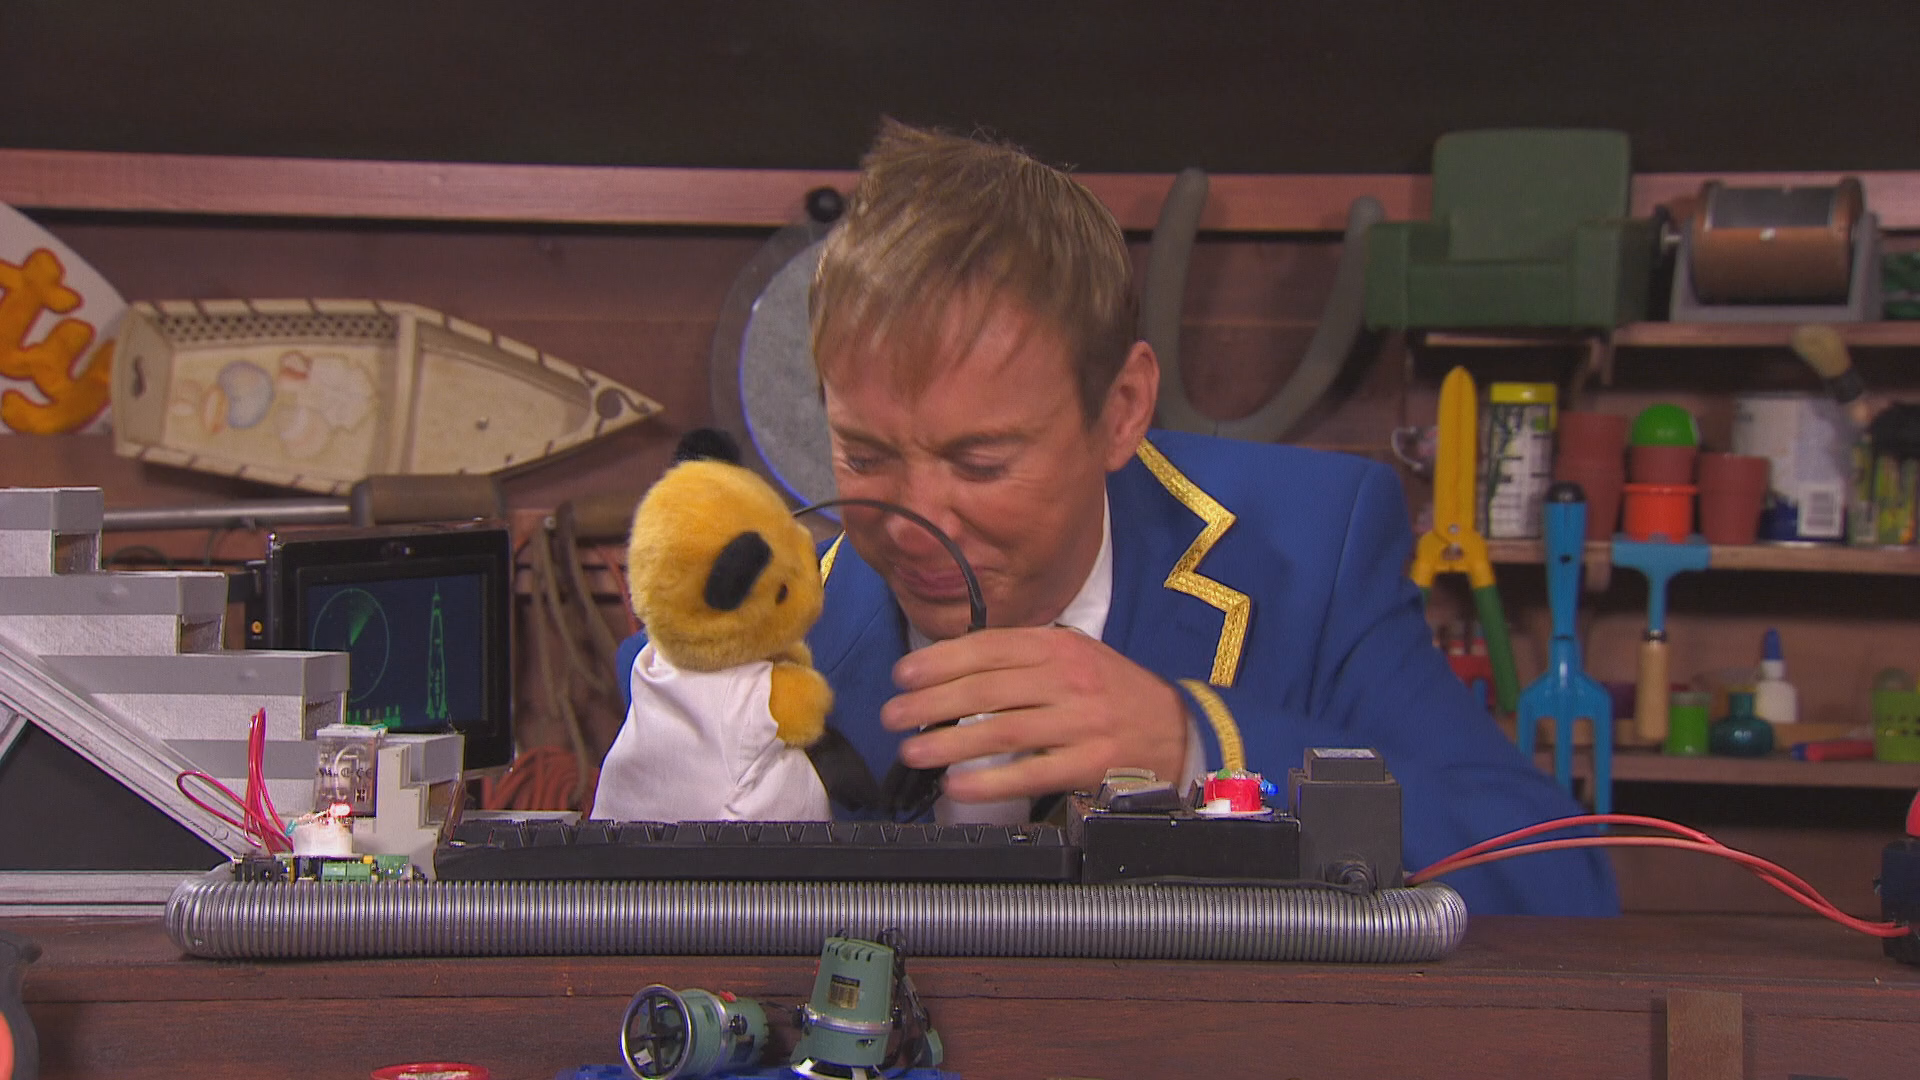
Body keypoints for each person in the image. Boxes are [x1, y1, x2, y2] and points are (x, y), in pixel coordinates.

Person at [600, 119, 1618, 916]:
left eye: (981, 462)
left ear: (1122, 409)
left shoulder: (1315, 550)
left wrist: (1195, 743)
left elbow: (1561, 880)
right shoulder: (755, 639)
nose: (911, 523)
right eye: (865, 455)